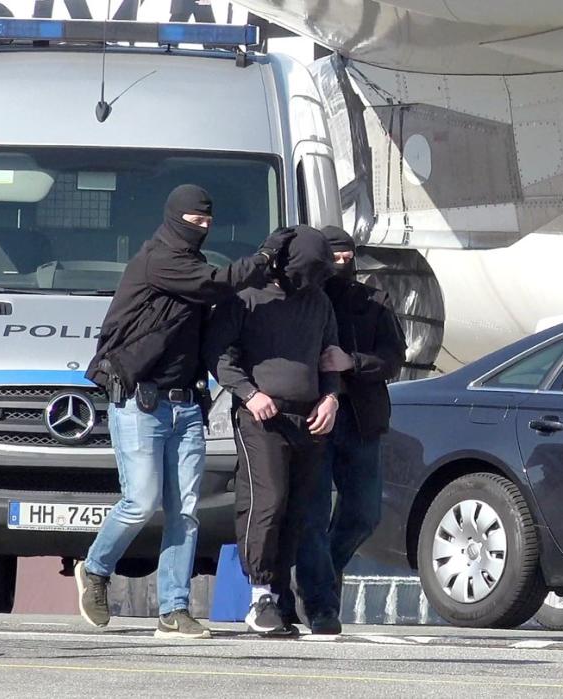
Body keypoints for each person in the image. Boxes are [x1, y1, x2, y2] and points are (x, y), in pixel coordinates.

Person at [76, 185, 294, 639]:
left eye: (207, 223)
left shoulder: (193, 265)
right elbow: (214, 284)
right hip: (140, 402)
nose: (201, 229)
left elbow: (216, 300)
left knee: (186, 512)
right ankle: (95, 569)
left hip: (185, 406)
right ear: (174, 218)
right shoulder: (158, 261)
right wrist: (263, 258)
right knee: (140, 502)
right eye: (194, 222)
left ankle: (174, 609)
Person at [203, 225, 342, 637]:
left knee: (297, 510)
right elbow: (219, 354)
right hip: (261, 417)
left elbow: (329, 357)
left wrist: (331, 398)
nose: (311, 281)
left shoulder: (319, 301)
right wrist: (249, 394)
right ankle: (259, 595)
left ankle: (279, 597)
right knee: (268, 501)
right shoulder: (246, 296)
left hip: (310, 418)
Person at [276, 226, 407, 635]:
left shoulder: (373, 300)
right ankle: (320, 605)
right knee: (312, 516)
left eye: (349, 253)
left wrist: (352, 362)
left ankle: (323, 572)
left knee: (364, 513)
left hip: (362, 418)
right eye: (334, 254)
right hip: (314, 418)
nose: (343, 261)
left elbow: (394, 357)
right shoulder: (303, 300)